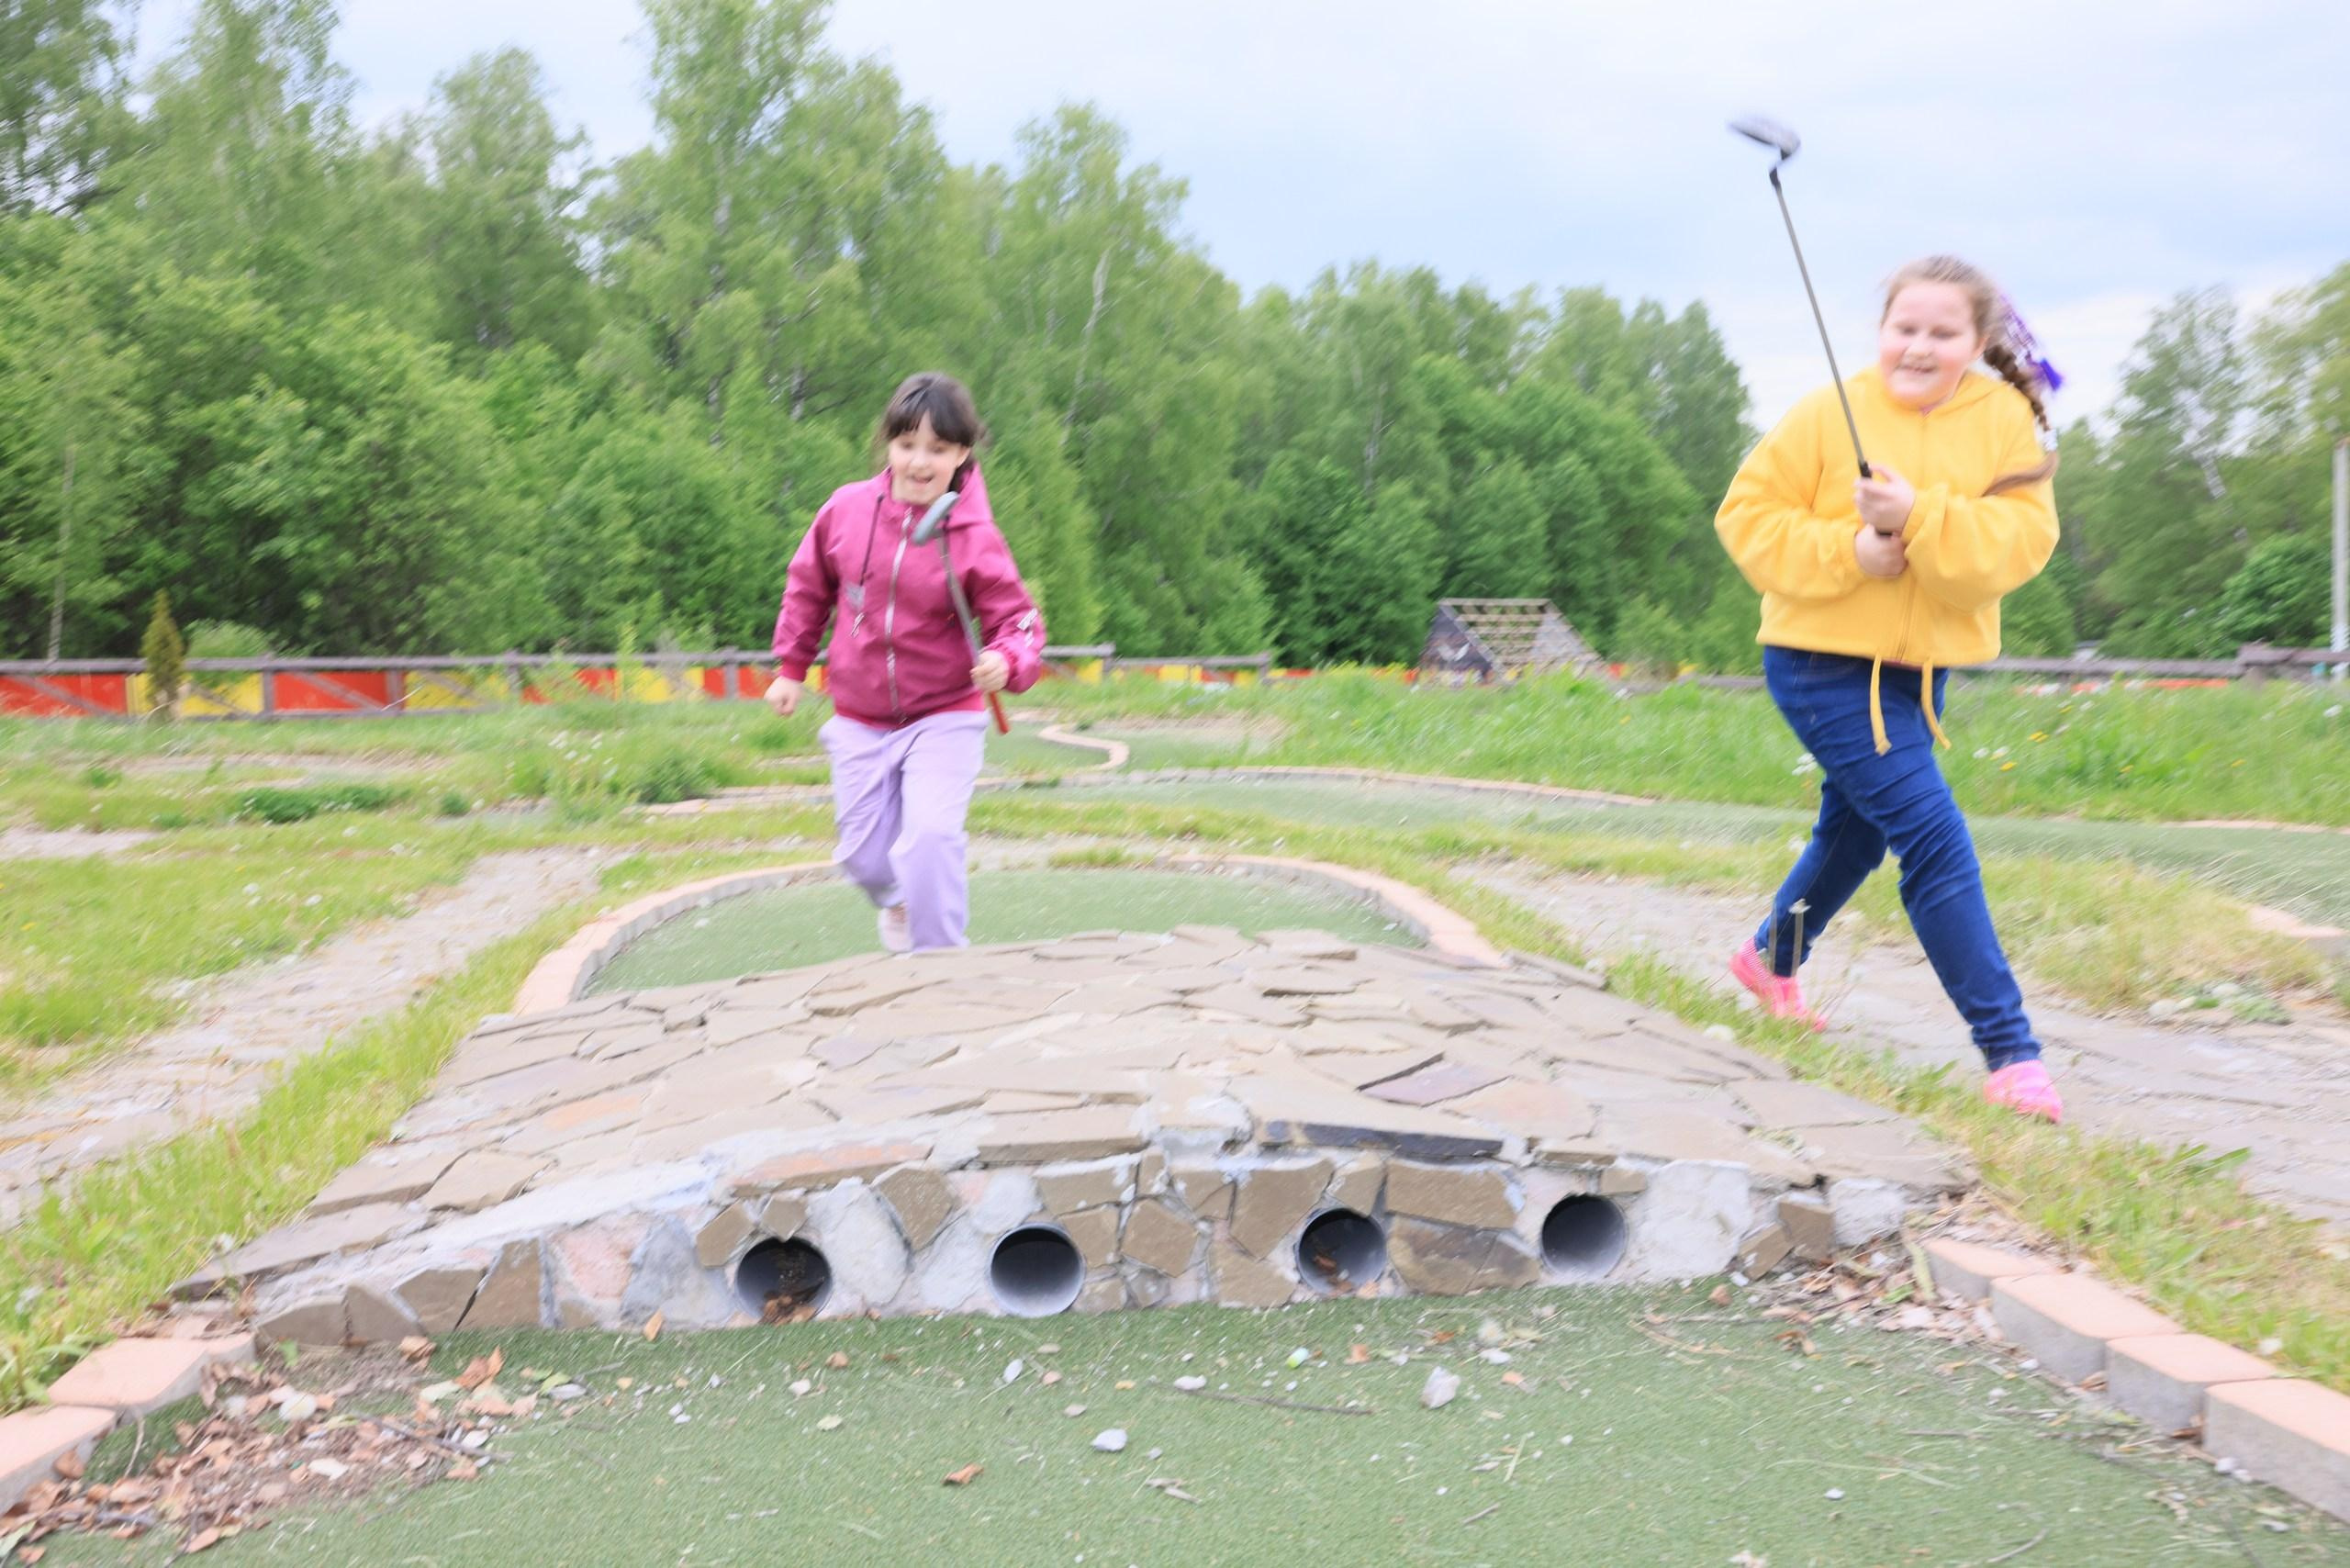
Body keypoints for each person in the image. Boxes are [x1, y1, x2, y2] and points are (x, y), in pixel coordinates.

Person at [1714, 255, 2065, 1122]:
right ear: (1882, 330)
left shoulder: (2006, 421)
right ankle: (2011, 1055)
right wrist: (1852, 552)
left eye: (1942, 333)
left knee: (1855, 838)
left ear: (1977, 343)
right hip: (1816, 657)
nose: (1918, 347)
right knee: (1935, 839)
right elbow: (1746, 517)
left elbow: (2021, 542)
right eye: (1904, 328)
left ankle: (1769, 958)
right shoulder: (1826, 412)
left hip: (1919, 670)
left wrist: (1920, 516)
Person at [766, 372, 1045, 953]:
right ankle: (898, 903)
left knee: (931, 838)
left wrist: (1004, 659)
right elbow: (807, 588)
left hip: (944, 713)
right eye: (907, 445)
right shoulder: (846, 511)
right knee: (864, 857)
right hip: (860, 715)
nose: (920, 463)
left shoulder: (975, 535)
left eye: (938, 450)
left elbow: (1017, 619)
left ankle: (941, 962)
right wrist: (791, 667)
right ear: (887, 444)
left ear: (962, 454)